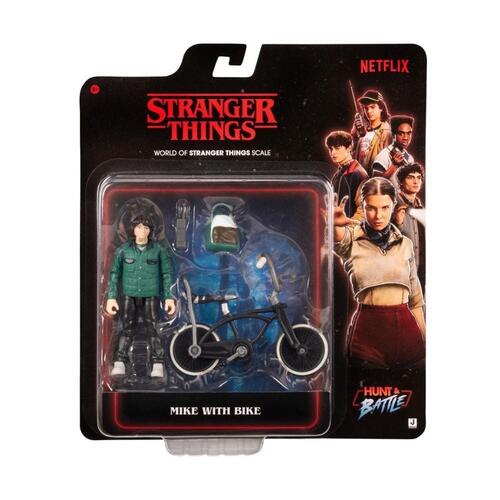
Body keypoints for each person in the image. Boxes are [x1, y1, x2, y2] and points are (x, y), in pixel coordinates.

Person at [333, 177, 425, 369]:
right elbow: (338, 239)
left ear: (394, 206)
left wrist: (426, 340)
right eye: (371, 208)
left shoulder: (405, 244)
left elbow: (416, 299)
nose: (378, 215)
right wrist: (333, 224)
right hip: (367, 336)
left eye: (385, 207)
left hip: (409, 333)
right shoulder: (352, 240)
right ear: (363, 207)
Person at [106, 214, 177, 378]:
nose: (142, 231)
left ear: (150, 231)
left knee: (153, 328)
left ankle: (158, 363)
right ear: (133, 229)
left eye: (146, 228)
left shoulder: (159, 250)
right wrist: (111, 297)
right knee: (126, 327)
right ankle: (119, 361)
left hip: (151, 295)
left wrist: (168, 297)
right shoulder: (123, 250)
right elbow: (114, 274)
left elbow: (167, 274)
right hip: (128, 295)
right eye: (139, 227)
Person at [325, 130, 368, 217]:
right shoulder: (339, 173)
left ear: (349, 148)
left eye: (337, 148)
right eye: (330, 149)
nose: (333, 153)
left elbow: (364, 209)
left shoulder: (357, 174)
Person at [351, 90, 392, 175]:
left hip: (375, 180)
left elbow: (388, 163)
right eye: (366, 108)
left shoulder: (386, 132)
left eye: (372, 107)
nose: (369, 111)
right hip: (361, 179)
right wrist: (354, 137)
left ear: (381, 108)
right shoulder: (363, 132)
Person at [393, 163, 425, 271]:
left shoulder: (420, 206)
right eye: (410, 177)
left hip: (420, 268)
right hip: (401, 269)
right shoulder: (393, 204)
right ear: (401, 182)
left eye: (419, 178)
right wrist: (398, 223)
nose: (416, 182)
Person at [372, 115, 415, 185]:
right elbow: (375, 183)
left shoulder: (410, 158)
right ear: (393, 135)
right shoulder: (383, 156)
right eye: (401, 133)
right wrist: (394, 165)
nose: (406, 138)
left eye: (409, 133)